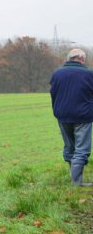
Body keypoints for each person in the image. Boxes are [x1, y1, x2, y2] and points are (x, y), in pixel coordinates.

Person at [49, 48, 93, 187]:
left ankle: (74, 178)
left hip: (62, 115)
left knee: (69, 146)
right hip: (83, 116)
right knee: (82, 149)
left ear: (69, 58)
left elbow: (53, 94)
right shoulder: (89, 74)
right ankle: (76, 182)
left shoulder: (56, 73)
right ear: (81, 59)